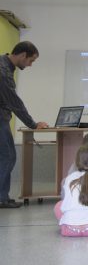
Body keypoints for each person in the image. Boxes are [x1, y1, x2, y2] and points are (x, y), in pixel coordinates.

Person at [0, 41, 48, 208]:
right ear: (22, 55)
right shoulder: (3, 71)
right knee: (8, 156)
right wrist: (33, 124)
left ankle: (2, 196)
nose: (30, 65)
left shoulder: (4, 66)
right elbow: (14, 102)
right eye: (31, 61)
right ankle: (1, 198)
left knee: (5, 156)